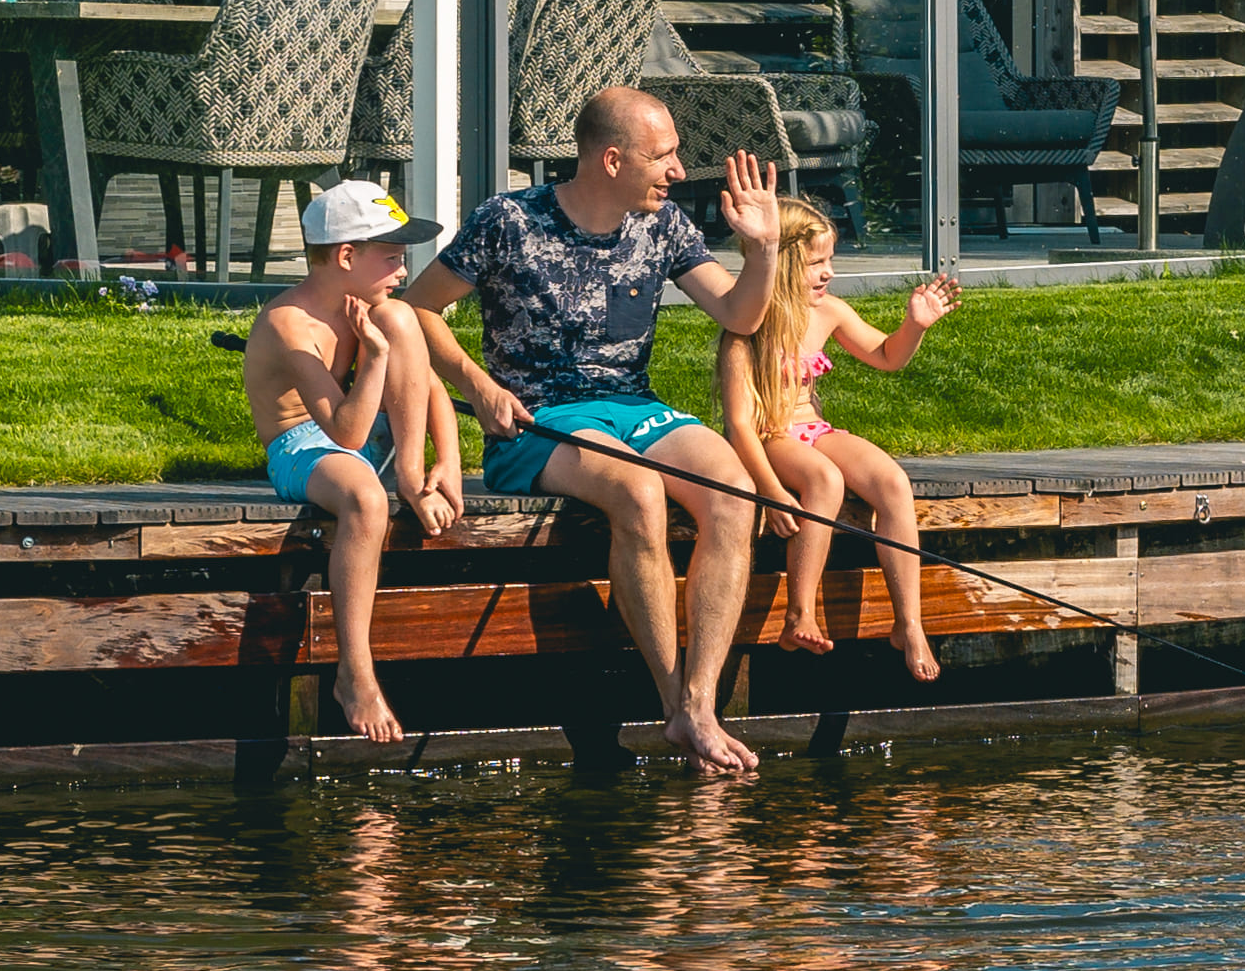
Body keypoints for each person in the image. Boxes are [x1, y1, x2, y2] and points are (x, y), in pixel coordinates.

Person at [401, 81, 780, 775]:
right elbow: (415, 310)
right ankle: (679, 708)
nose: (676, 170)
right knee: (636, 494)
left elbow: (739, 315)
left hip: (633, 407)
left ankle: (700, 700)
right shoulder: (507, 221)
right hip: (537, 419)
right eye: (661, 156)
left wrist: (761, 252)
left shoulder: (662, 225)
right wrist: (476, 384)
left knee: (730, 486)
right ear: (611, 159)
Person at [700, 143, 967, 681]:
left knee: (891, 480)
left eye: (830, 260)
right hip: (769, 434)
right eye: (816, 262)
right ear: (784, 260)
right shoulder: (744, 330)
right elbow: (737, 426)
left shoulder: (828, 312)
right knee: (822, 479)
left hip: (812, 428)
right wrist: (771, 491)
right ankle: (799, 611)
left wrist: (914, 324)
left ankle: (908, 622)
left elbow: (887, 357)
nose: (828, 273)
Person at [245, 176, 471, 743]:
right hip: (305, 446)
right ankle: (356, 672)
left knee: (403, 320)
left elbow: (429, 390)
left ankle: (411, 479)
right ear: (346, 256)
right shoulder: (288, 324)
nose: (402, 270)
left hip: (368, 439)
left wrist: (447, 464)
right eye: (392, 257)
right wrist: (373, 357)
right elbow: (344, 436)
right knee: (366, 498)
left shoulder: (379, 309)